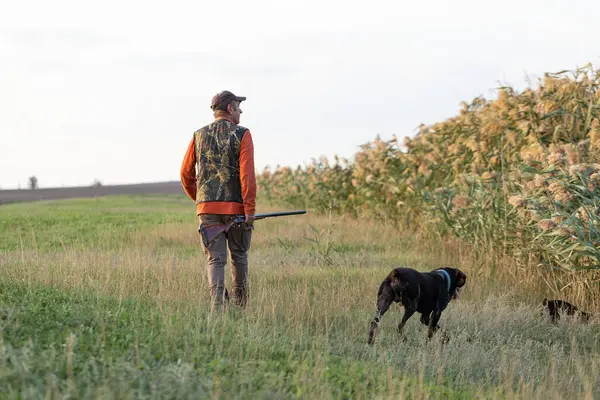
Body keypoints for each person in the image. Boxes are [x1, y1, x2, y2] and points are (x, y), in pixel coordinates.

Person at [180, 90, 256, 311]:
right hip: (237, 210)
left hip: (207, 209)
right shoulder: (242, 134)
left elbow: (185, 173)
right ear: (230, 109)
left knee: (215, 261)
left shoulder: (198, 135)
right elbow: (247, 176)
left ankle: (217, 309)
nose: (241, 111)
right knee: (239, 255)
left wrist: (201, 199)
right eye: (238, 106)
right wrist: (249, 210)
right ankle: (241, 308)